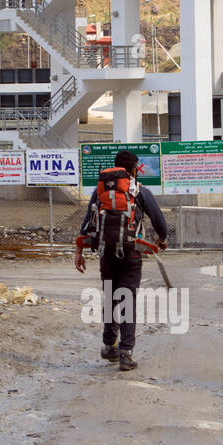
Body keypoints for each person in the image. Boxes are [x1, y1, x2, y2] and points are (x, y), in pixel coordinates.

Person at [73, 149, 169, 371]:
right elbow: (159, 222)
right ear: (134, 169)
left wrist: (79, 251)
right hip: (131, 253)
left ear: (115, 167)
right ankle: (126, 353)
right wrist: (162, 240)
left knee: (111, 297)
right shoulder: (141, 191)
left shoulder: (100, 193)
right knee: (128, 299)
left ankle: (109, 345)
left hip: (106, 253)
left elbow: (87, 223)